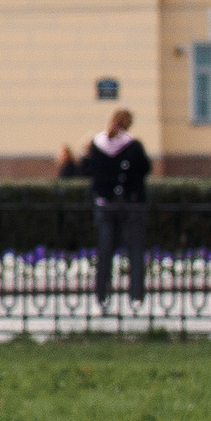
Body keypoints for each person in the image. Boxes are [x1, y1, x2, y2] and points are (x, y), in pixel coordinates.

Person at [57, 107, 150, 307]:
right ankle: (136, 296)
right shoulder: (133, 147)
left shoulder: (97, 145)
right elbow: (145, 168)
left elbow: (87, 169)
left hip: (104, 204)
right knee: (135, 251)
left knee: (105, 251)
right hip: (131, 204)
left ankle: (102, 295)